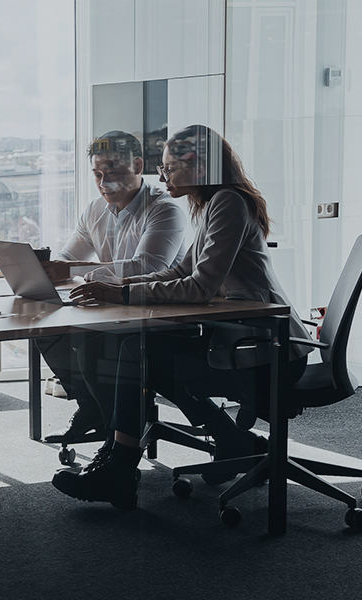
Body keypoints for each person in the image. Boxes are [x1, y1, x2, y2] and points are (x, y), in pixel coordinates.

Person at [53, 124, 314, 508]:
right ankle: (227, 441)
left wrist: (122, 292)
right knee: (138, 349)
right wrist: (121, 290)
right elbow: (180, 274)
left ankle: (119, 468)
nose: (161, 176)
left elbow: (200, 287)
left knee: (137, 350)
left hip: (265, 347)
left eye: (169, 167)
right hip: (240, 336)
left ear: (201, 168)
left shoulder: (228, 202)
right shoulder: (212, 205)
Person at [37, 130, 189, 445]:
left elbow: (147, 268)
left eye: (113, 173)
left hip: (155, 312)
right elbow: (70, 257)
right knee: (45, 328)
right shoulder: (95, 210)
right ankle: (92, 409)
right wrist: (51, 270)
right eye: (97, 175)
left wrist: (75, 269)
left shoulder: (164, 209)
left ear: (137, 165)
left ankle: (114, 431)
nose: (104, 183)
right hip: (114, 308)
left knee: (91, 343)